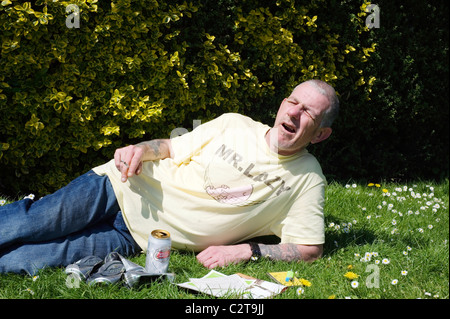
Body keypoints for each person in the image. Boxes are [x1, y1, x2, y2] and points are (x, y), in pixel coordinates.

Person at [0, 79, 339, 274]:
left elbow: (309, 249)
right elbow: (170, 147)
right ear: (282, 103)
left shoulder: (307, 179)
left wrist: (243, 252)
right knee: (32, 222)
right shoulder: (234, 124)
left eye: (308, 111)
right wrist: (141, 149)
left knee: (27, 261)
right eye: (293, 101)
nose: (294, 112)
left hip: (141, 238)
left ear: (321, 135)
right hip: (120, 184)